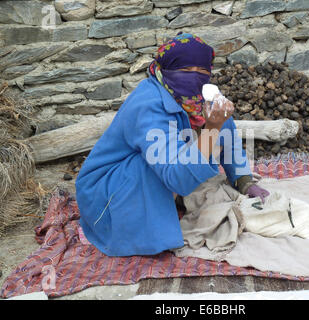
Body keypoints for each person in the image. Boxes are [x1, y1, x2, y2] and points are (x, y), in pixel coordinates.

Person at [75, 32, 270, 257]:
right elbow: (176, 177)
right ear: (165, 69)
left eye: (202, 72)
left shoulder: (200, 98)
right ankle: (134, 230)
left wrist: (244, 181)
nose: (194, 78)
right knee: (145, 164)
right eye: (185, 71)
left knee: (218, 121)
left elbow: (228, 136)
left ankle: (169, 203)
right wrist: (212, 128)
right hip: (107, 189)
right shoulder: (148, 104)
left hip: (166, 167)